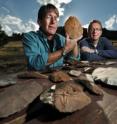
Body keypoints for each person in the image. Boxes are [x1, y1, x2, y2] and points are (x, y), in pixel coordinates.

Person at [22, 3, 80, 71]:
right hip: (37, 80)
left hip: (59, 79)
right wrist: (64, 51)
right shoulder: (30, 37)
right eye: (48, 17)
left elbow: (73, 61)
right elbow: (35, 64)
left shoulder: (62, 39)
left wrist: (74, 41)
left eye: (55, 18)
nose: (53, 21)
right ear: (39, 22)